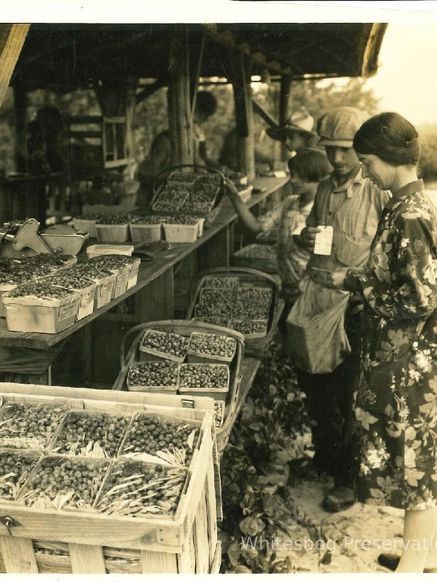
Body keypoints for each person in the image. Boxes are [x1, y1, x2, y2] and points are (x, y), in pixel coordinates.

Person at [325, 112, 437, 573]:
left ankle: (411, 571)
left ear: (388, 158)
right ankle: (423, 558)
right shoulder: (410, 205)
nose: (365, 172)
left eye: (367, 162)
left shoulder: (408, 214)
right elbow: (405, 277)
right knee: (424, 461)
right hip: (416, 359)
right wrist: (358, 277)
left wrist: (359, 286)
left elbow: (418, 298)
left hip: (408, 363)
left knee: (416, 467)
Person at [292, 106, 390, 513]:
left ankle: (347, 479)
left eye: (346, 151)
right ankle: (325, 458)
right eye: (330, 150)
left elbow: (388, 257)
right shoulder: (324, 190)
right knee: (315, 384)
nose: (336, 159)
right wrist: (306, 235)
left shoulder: (377, 191)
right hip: (319, 299)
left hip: (355, 306)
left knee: (347, 394)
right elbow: (308, 241)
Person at [222, 148, 332, 303]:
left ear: (319, 179)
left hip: (311, 289)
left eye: (301, 177)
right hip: (288, 284)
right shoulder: (289, 203)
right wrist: (235, 198)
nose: (293, 180)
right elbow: (256, 228)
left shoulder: (325, 211)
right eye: (293, 174)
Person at [137, 91, 218, 208]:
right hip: (160, 199)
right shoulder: (164, 141)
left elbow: (199, 163)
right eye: (195, 120)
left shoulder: (192, 140)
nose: (194, 126)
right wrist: (173, 178)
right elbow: (148, 174)